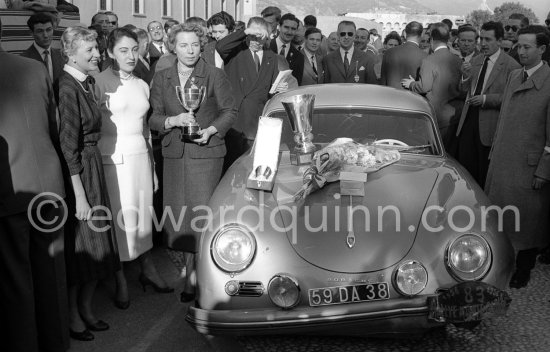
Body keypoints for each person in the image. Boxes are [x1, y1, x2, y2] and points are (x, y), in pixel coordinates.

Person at [149, 23, 237, 302]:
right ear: (172, 47)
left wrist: (210, 130)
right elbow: (153, 117)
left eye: (195, 45)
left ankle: (198, 278)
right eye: (183, 45)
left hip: (206, 155)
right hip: (174, 156)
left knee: (201, 219)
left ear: (202, 46)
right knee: (179, 222)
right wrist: (172, 121)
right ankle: (190, 272)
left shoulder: (214, 74)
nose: (190, 50)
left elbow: (229, 111)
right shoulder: (162, 77)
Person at [0, 17, 70, 352]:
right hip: (47, 182)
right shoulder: (33, 68)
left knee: (16, 279)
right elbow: (52, 125)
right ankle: (56, 343)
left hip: (11, 190)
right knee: (51, 273)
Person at [95, 28, 173, 310]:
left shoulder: (142, 84)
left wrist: (152, 167)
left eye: (133, 50)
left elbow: (145, 129)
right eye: (122, 51)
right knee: (119, 219)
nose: (130, 56)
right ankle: (120, 279)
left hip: (140, 157)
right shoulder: (98, 82)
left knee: (142, 216)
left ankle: (148, 268)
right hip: (112, 159)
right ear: (110, 53)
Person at [58, 26, 120, 341]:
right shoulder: (67, 87)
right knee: (84, 247)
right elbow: (68, 147)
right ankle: (73, 314)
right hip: (81, 174)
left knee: (99, 244)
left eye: (96, 49)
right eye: (89, 52)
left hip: (93, 167)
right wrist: (80, 197)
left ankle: (85, 308)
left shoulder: (85, 82)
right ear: (71, 54)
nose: (97, 55)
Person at [485, 25, 550, 289]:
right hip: (504, 161)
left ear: (542, 49)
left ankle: (523, 270)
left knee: (527, 223)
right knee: (503, 219)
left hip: (528, 165)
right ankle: (504, 264)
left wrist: (544, 169)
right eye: (518, 46)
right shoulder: (514, 75)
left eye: (527, 47)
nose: (520, 51)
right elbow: (504, 119)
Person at [216, 17, 294, 171]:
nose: (256, 40)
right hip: (236, 121)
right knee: (233, 169)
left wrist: (279, 88)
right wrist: (246, 31)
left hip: (257, 120)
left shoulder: (271, 56)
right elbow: (220, 46)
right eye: (252, 36)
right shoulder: (236, 51)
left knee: (253, 168)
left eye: (261, 37)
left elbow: (269, 89)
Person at [455, 21, 520, 188]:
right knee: (464, 170)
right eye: (481, 39)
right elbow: (463, 91)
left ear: (499, 40)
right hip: (468, 121)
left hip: (489, 126)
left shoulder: (511, 66)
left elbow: (510, 98)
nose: (483, 43)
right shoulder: (476, 60)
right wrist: (464, 77)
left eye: (488, 39)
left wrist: (485, 99)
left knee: (482, 173)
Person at [401, 22, 461, 145]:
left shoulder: (429, 60)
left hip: (437, 116)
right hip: (455, 115)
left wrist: (412, 84)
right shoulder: (458, 60)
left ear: (432, 40)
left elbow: (424, 87)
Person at [380, 21, 426, 89]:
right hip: (413, 98)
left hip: (390, 96)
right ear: (422, 34)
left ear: (404, 33)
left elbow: (383, 82)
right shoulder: (425, 56)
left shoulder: (389, 53)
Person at [21, 12, 64, 83]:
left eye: (49, 29)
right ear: (31, 33)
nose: (46, 35)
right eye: (40, 31)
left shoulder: (61, 56)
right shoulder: (24, 60)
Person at [268, 13, 304, 85]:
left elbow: (297, 84)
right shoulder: (266, 47)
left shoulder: (299, 57)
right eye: (286, 27)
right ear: (279, 27)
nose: (289, 32)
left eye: (293, 29)